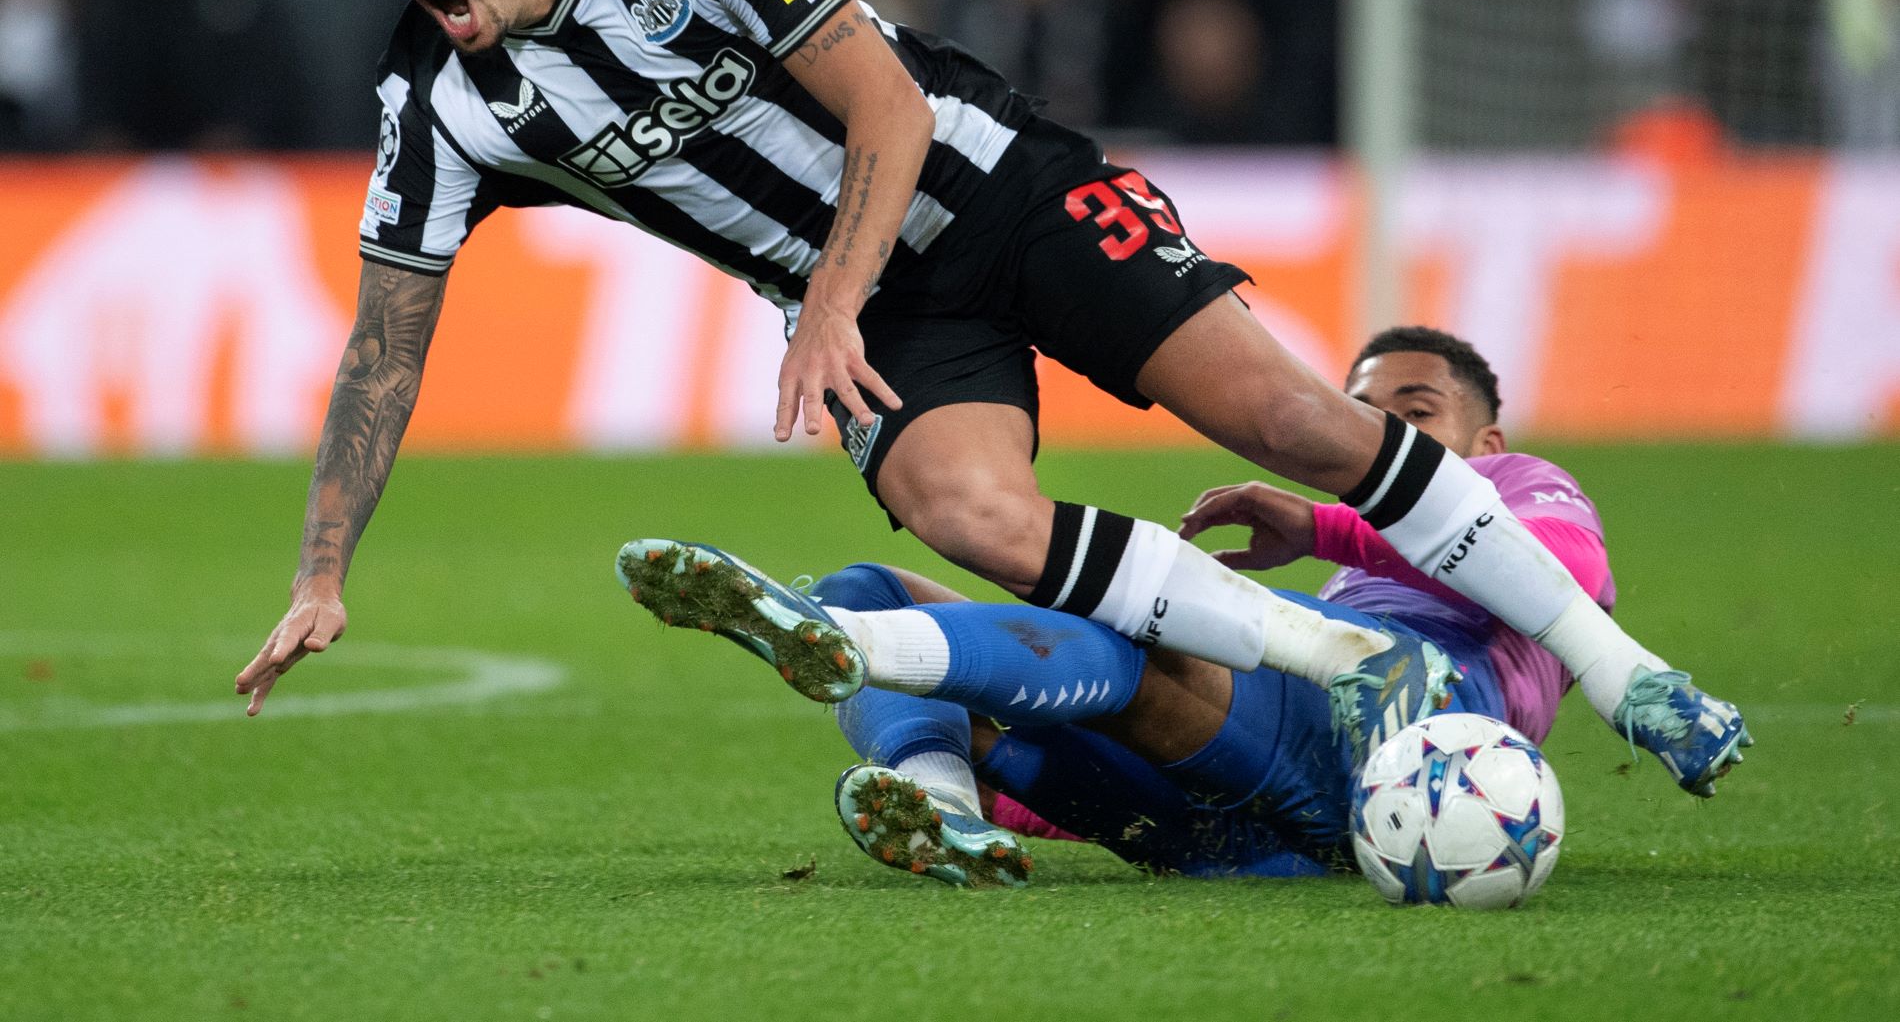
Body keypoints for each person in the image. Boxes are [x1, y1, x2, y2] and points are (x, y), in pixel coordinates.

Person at [233, 0, 1745, 793]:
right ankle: (1347, 663)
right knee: (974, 515)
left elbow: (885, 103)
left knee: (1289, 419)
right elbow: (382, 349)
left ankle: (1629, 675)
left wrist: (823, 300)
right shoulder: (438, 103)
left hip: (996, 187)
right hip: (893, 308)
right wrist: (319, 568)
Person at [618, 327, 1747, 886]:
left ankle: (852, 654)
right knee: (872, 579)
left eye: (1417, 408)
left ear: (1486, 438)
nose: (1389, 436)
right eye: (1366, 417)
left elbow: (1553, 570)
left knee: (1133, 634)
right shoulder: (1347, 582)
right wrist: (1040, 789)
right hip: (1226, 822)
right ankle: (945, 798)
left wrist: (1321, 525)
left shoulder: (1518, 491)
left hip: (1416, 725)